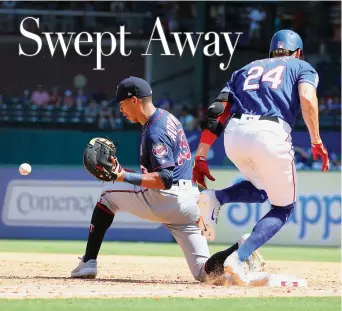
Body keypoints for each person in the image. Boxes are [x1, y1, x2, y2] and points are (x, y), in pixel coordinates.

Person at [71, 76, 265, 284]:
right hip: (189, 201)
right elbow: (165, 172)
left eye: (122, 103)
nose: (120, 109)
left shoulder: (155, 131)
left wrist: (123, 176)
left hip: (167, 198)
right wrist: (123, 171)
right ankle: (242, 249)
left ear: (134, 100)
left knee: (107, 197)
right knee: (204, 273)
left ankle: (89, 261)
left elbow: (164, 179)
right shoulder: (166, 118)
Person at [192, 30, 329, 286]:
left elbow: (217, 111)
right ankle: (239, 258)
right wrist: (316, 140)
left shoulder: (245, 69)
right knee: (283, 208)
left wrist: (200, 155)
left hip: (234, 134)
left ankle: (215, 198)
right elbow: (308, 98)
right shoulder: (302, 66)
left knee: (262, 189)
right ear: (297, 52)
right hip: (270, 132)